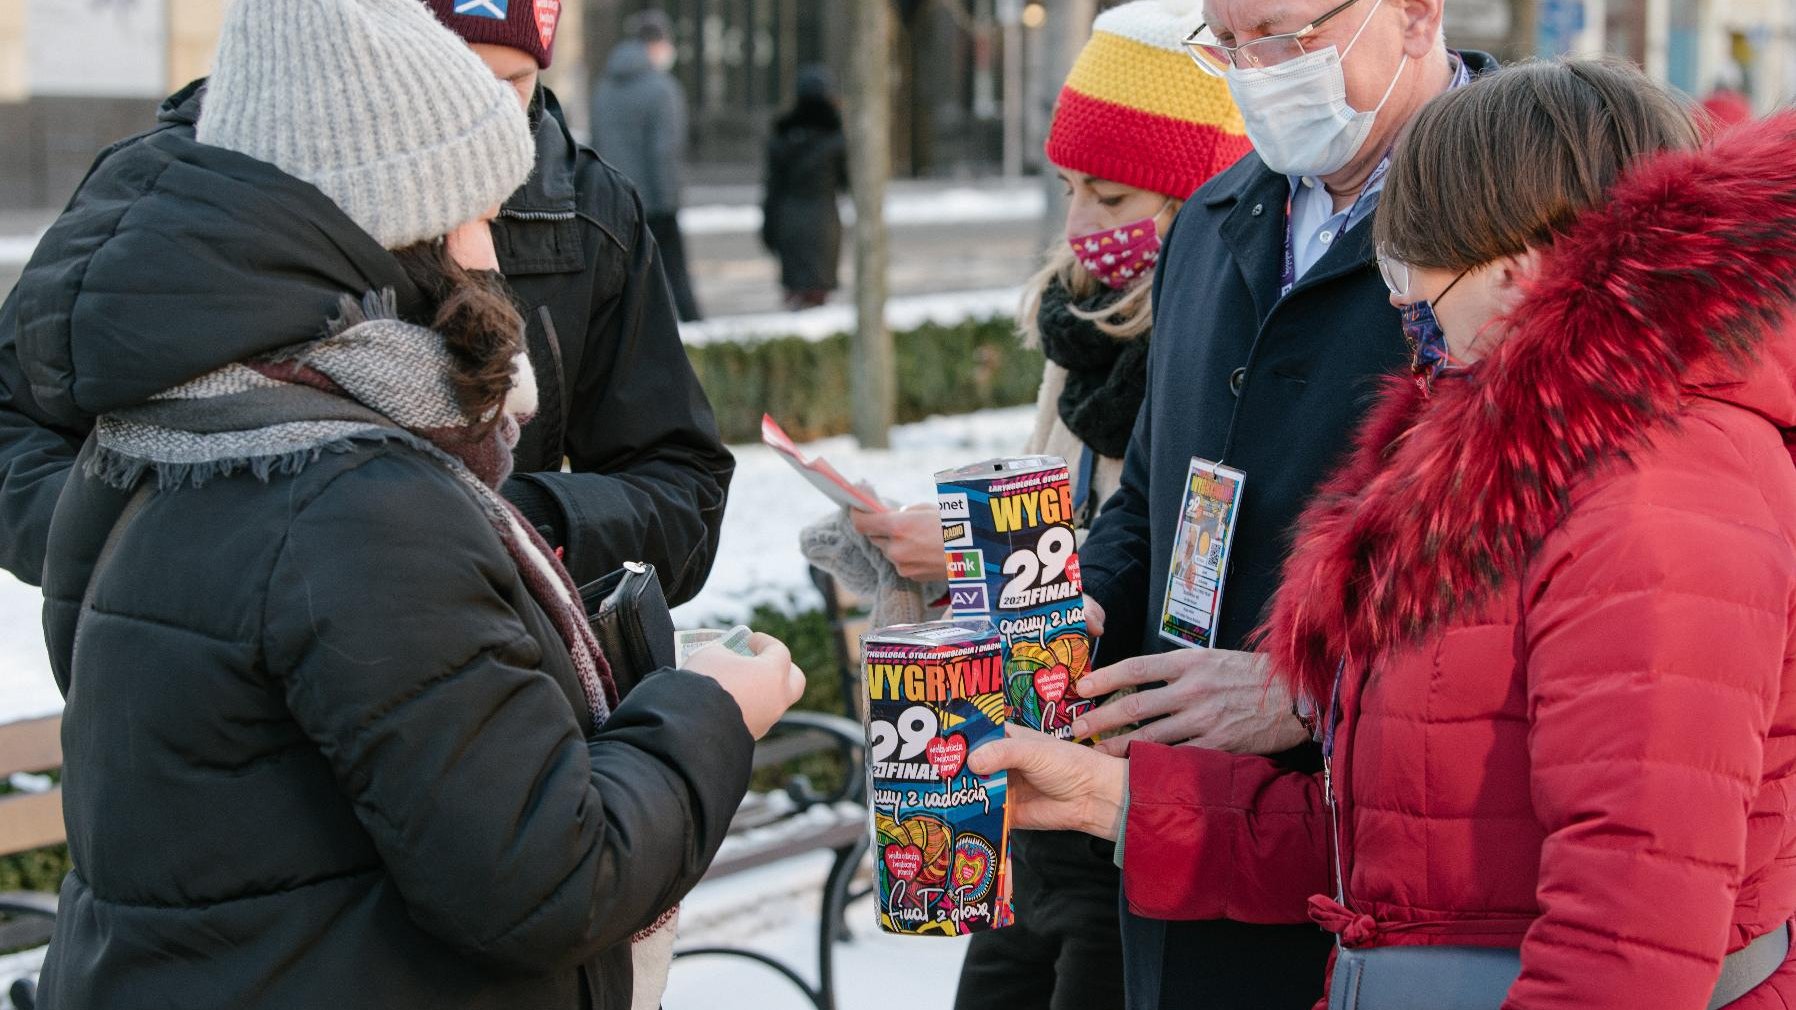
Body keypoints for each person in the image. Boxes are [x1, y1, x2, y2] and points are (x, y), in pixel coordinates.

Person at [21, 1, 804, 1008]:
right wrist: (710, 709)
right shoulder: (358, 505)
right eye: (476, 208)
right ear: (411, 231)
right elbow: (552, 875)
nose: (497, 244)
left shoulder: (179, 425)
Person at [975, 58, 1796, 1008]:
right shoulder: (1493, 465)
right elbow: (1395, 842)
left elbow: (1627, 936)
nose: (1400, 312)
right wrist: (1105, 801)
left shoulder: (1659, 499)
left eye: (1411, 274)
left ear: (1522, 272)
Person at [981, 0, 1496, 1004]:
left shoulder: (1518, 215)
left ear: (1413, 13)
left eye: (1287, 38)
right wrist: (1079, 593)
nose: (1258, 71)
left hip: (1374, 877)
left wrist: (1314, 684)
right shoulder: (1216, 218)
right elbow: (1163, 488)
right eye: (1226, 42)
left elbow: (1566, 576)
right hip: (1175, 843)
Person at [0, 0, 732, 600]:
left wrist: (500, 527)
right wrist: (169, 557)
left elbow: (682, 491)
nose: (491, 127)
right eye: (453, 83)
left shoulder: (583, 209)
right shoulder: (166, 190)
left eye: (514, 85)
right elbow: (17, 429)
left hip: (482, 690)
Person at [822, 4, 1250, 1006]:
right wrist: (924, 550)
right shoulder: (1079, 331)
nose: (1077, 228)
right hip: (1033, 778)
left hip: (1132, 792)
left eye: (1108, 195)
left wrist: (975, 549)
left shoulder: (1215, 352)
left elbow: (1156, 557)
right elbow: (1063, 508)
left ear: (1198, 203)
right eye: (1065, 189)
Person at [594, 9, 702, 322]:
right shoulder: (662, 89)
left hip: (612, 202)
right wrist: (669, 203)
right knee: (674, 277)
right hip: (655, 203)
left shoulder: (605, 87)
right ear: (657, 45)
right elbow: (664, 152)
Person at [762, 65, 848, 310]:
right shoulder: (835, 139)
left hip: (789, 221)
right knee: (817, 295)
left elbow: (772, 189)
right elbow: (845, 182)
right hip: (823, 223)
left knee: (795, 296)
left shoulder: (782, 137)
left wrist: (769, 227)